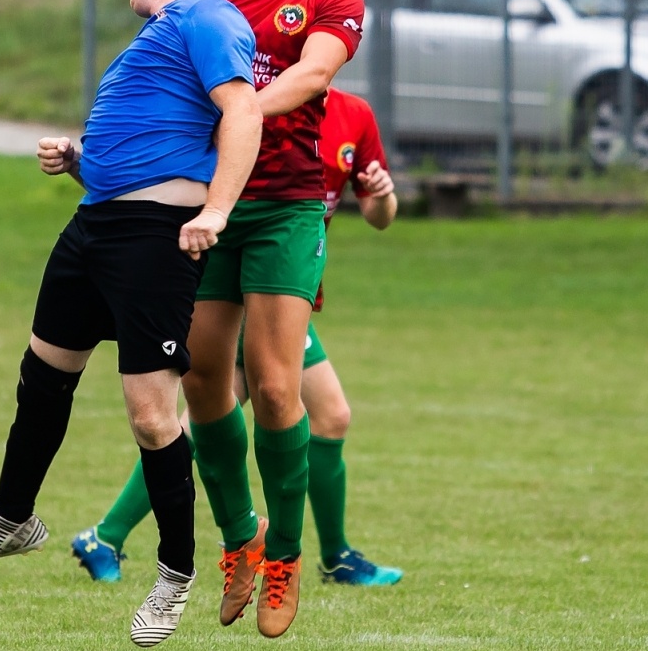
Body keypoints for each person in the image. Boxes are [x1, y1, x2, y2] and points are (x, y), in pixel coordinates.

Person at [0, 0, 262, 649]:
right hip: (96, 224)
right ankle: (12, 518)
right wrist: (80, 159)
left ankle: (175, 573)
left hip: (156, 237)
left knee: (152, 418)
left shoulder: (207, 13)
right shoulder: (157, 38)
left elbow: (243, 113)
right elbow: (150, 144)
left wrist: (216, 210)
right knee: (42, 378)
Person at [70, 86, 403, 589]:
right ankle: (326, 554)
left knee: (276, 418)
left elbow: (381, 216)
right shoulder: (246, 106)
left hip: (284, 290)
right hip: (242, 292)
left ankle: (107, 534)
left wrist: (381, 194)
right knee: (218, 418)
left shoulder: (354, 114)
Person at [182, 0, 373, 640]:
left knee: (272, 385)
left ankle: (288, 558)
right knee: (199, 379)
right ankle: (241, 536)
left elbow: (312, 74)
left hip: (287, 206)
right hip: (212, 198)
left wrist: (237, 110)